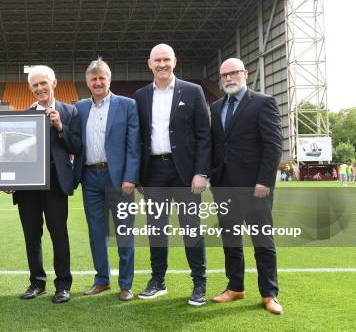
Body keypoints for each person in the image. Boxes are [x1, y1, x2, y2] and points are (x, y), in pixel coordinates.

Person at [134, 43, 211, 306]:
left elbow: (204, 136)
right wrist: (139, 175)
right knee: (156, 228)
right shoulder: (141, 95)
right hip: (153, 171)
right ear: (150, 63)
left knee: (191, 228)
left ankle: (199, 283)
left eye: (166, 59)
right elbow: (138, 138)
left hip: (185, 172)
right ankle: (158, 281)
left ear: (175, 61)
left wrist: (201, 172)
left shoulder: (193, 91)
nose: (162, 64)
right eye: (157, 60)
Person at [209, 58, 283, 315]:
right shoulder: (216, 106)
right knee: (230, 240)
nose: (229, 79)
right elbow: (216, 145)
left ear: (245, 74)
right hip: (224, 185)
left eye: (233, 73)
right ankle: (235, 286)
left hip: (255, 186)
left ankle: (269, 293)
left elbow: (273, 145)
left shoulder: (263, 102)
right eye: (224, 75)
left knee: (262, 241)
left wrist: (264, 181)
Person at [13, 65, 82, 304]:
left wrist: (60, 127)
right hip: (27, 185)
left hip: (55, 182)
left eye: (44, 83)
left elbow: (77, 147)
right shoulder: (22, 114)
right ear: (30, 89)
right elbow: (15, 154)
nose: (40, 88)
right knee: (32, 235)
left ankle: (63, 285)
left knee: (59, 235)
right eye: (35, 85)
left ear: (54, 83)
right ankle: (37, 283)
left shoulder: (70, 112)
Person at [73, 58, 140, 301]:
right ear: (87, 82)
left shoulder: (127, 105)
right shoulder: (79, 108)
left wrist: (130, 177)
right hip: (90, 177)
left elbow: (134, 146)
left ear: (109, 79)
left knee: (124, 232)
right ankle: (102, 280)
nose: (98, 82)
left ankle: (126, 284)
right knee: (96, 232)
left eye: (102, 77)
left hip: (119, 178)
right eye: (94, 78)